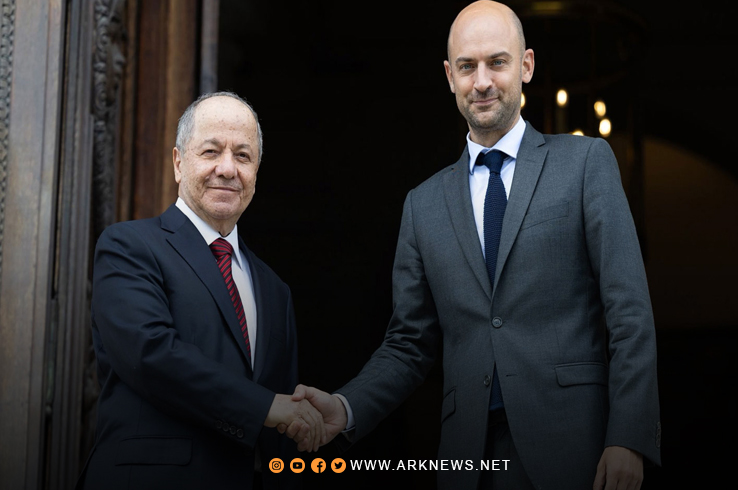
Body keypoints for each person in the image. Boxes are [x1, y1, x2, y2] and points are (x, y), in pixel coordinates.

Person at [286, 2, 661, 489]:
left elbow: (629, 314)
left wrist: (628, 437)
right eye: (467, 67)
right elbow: (408, 345)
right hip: (468, 460)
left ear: (526, 65)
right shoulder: (422, 205)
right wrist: (345, 405)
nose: (481, 81)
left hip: (577, 449)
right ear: (449, 76)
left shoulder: (585, 163)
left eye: (497, 62)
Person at [77, 92, 324, 490]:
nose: (227, 169)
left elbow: (282, 428)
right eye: (211, 151)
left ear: (256, 171)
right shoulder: (129, 246)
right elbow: (150, 354)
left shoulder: (274, 290)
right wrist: (266, 407)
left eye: (243, 156)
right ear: (179, 163)